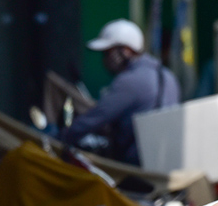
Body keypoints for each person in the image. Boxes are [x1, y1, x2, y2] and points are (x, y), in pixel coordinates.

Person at [60, 19, 179, 166]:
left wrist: (59, 137)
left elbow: (95, 118)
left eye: (107, 52)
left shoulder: (130, 80)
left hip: (136, 167)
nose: (105, 60)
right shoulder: (167, 75)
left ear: (126, 50)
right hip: (165, 162)